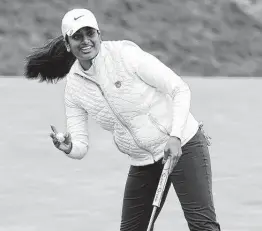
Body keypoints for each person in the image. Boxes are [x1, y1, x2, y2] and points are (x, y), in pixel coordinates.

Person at [24, 8, 221, 231]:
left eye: (90, 33)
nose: (86, 41)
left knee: (203, 227)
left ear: (100, 35)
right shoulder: (74, 87)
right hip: (143, 161)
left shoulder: (125, 55)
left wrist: (175, 137)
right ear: (68, 44)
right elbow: (80, 146)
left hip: (182, 145)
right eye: (77, 36)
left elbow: (179, 89)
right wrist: (69, 147)